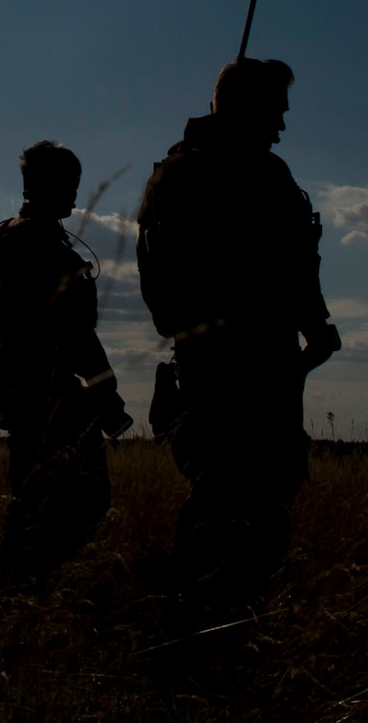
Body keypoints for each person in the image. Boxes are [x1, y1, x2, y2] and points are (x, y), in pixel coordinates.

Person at [136, 58, 341, 603]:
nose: (281, 125)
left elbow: (298, 260)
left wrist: (314, 324)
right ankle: (188, 617)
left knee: (271, 489)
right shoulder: (187, 175)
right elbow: (170, 280)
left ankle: (234, 616)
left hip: (272, 360)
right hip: (218, 363)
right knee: (224, 490)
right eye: (273, 111)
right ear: (243, 108)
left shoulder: (270, 174)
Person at [0, 140, 133, 581]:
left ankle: (17, 582)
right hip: (46, 391)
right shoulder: (42, 248)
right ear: (48, 185)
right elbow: (75, 334)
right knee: (81, 498)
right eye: (69, 183)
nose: (75, 193)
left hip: (21, 386)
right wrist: (107, 390)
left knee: (33, 494)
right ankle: (14, 580)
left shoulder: (7, 237)